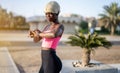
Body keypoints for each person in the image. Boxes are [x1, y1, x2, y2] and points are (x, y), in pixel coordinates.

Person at [29, 1, 64, 73]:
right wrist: (35, 34)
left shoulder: (60, 26)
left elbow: (53, 35)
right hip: (45, 60)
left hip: (51, 60)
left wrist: (40, 34)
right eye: (46, 13)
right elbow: (36, 40)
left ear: (57, 13)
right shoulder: (47, 27)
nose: (48, 15)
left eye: (51, 13)